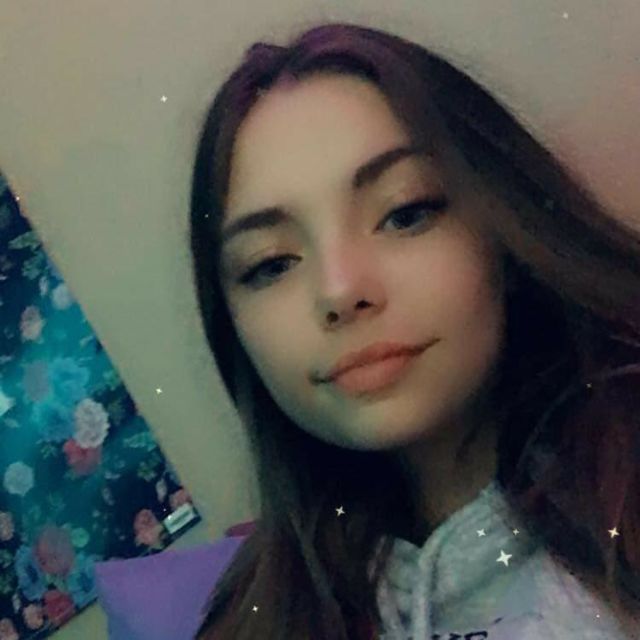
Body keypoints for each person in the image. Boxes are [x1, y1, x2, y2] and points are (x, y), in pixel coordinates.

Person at [187, 21, 640, 639]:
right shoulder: (251, 620)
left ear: (504, 230)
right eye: (271, 264)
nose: (339, 291)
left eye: (405, 214)